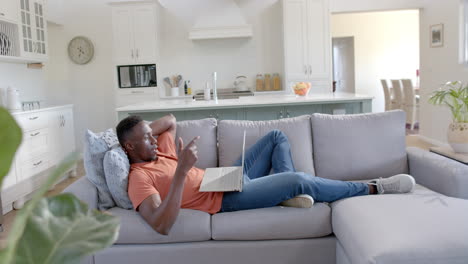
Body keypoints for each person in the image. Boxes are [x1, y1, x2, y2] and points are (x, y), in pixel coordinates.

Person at [116, 114, 415, 235]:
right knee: (298, 179)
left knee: (275, 137)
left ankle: (287, 194)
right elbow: (160, 224)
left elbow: (169, 120)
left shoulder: (157, 149)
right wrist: (181, 173)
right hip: (223, 198)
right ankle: (374, 188)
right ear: (129, 147)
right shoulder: (139, 178)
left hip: (220, 177)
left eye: (151, 135)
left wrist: (143, 134)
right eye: (145, 138)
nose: (154, 140)